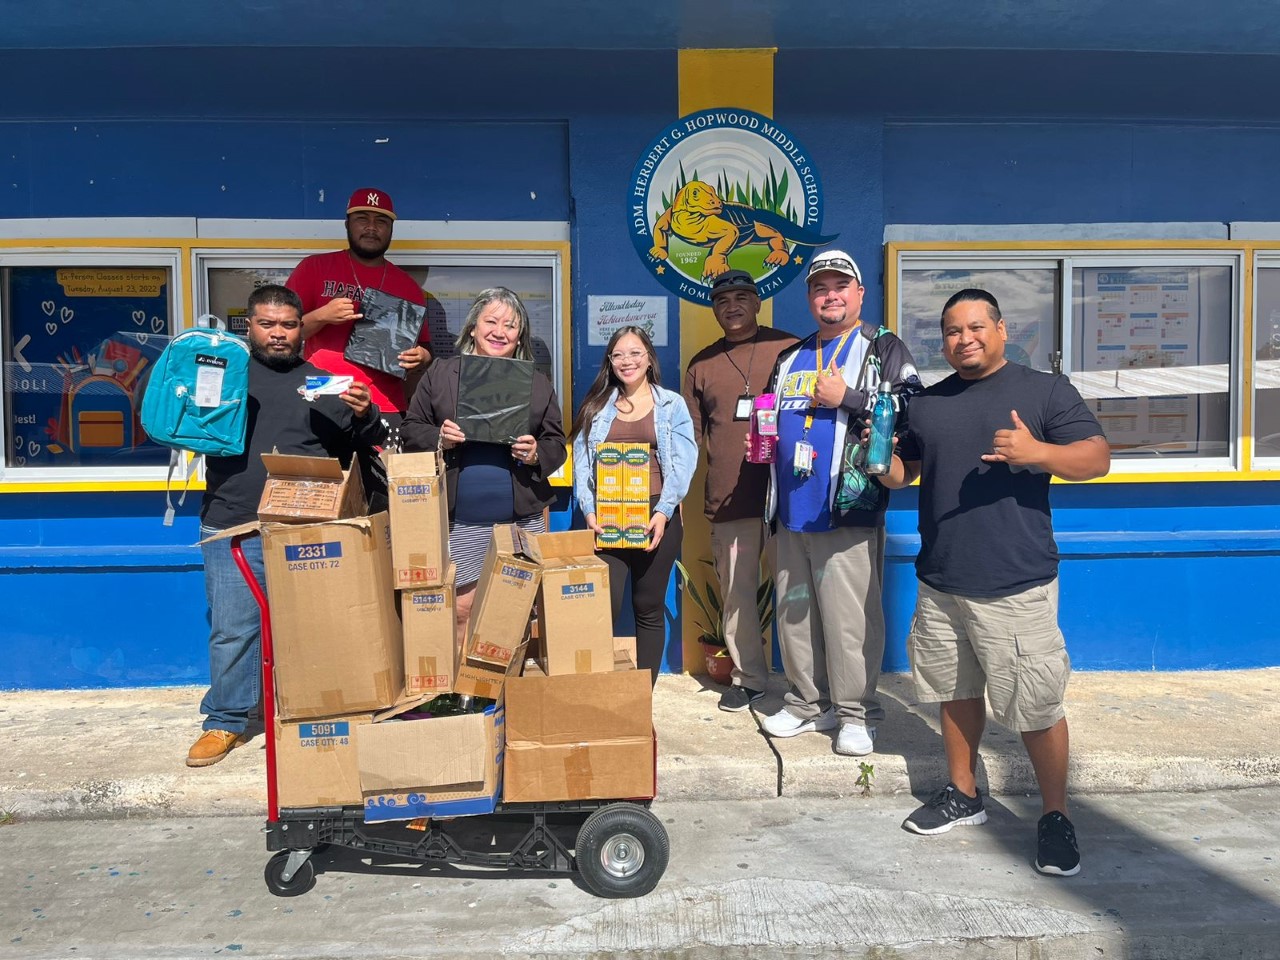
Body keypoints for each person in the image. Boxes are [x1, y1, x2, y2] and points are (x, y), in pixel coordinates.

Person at [880, 288, 1110, 877]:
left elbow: (1097, 458)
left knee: (1035, 706)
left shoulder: (1042, 391)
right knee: (953, 693)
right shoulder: (928, 405)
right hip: (941, 579)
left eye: (977, 327)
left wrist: (1039, 452)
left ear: (1002, 330)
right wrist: (883, 464)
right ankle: (964, 794)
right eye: (953, 331)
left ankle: (1055, 816)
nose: (965, 339)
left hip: (1016, 582)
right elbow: (907, 471)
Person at [187, 285, 387, 767]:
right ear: (249, 327)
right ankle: (225, 721)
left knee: (319, 627)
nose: (278, 334)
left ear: (302, 329)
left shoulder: (327, 382)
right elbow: (181, 424)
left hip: (307, 528)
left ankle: (321, 710)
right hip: (233, 523)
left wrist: (366, 412)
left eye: (288, 325)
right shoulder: (224, 379)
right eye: (267, 324)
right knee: (233, 630)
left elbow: (365, 443)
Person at [758, 249, 922, 757]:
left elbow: (912, 408)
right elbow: (769, 412)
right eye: (820, 288)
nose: (830, 296)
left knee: (851, 619)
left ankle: (856, 713)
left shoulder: (882, 347)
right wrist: (761, 435)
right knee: (796, 613)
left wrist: (848, 398)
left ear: (859, 293)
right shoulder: (791, 356)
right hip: (791, 511)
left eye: (839, 286)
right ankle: (809, 702)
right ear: (810, 298)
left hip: (848, 508)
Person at [400, 287, 566, 646]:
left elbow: (557, 442)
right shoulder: (442, 373)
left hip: (521, 515)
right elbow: (411, 428)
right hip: (461, 516)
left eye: (510, 325)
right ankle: (466, 693)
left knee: (518, 606)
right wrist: (439, 437)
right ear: (473, 326)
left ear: (519, 335)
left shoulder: (536, 382)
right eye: (491, 321)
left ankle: (507, 692)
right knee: (461, 607)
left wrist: (537, 452)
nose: (499, 331)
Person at [683, 269, 798, 711]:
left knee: (798, 594)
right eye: (722, 300)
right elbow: (688, 438)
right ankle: (749, 678)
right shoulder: (702, 364)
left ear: (757, 302)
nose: (732, 306)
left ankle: (807, 684)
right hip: (731, 500)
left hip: (790, 497)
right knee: (737, 597)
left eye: (741, 297)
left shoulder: (789, 349)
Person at [572, 326, 697, 684]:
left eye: (635, 353)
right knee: (603, 606)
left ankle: (641, 696)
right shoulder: (596, 406)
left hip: (657, 514)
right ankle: (601, 689)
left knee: (648, 606)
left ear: (649, 358)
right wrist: (590, 512)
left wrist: (663, 512)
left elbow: (685, 461)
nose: (627, 361)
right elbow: (583, 466)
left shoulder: (671, 404)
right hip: (607, 516)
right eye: (618, 355)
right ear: (610, 363)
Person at [286, 187, 431, 439]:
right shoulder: (314, 268)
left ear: (391, 230)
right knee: (324, 478)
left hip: (386, 404)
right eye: (362, 219)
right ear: (347, 224)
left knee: (381, 478)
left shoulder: (407, 285)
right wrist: (322, 315)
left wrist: (421, 356)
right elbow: (284, 335)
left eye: (381, 221)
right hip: (323, 396)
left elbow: (426, 351)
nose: (371, 227)